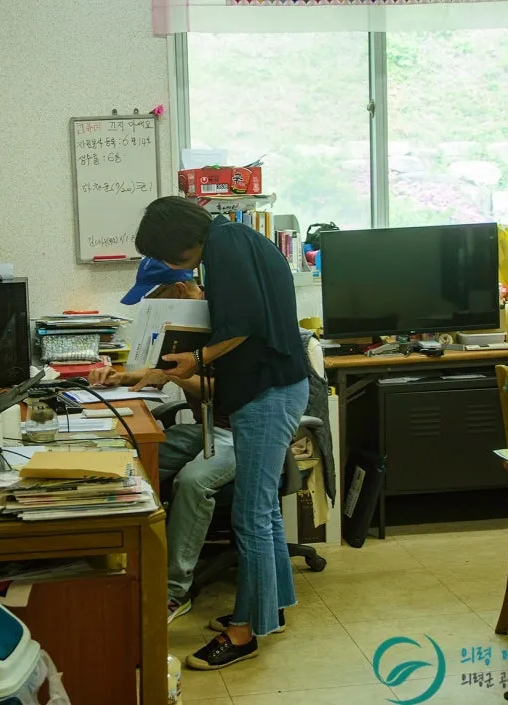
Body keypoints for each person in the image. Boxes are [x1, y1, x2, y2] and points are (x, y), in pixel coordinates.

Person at [134, 196, 309, 670]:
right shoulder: (234, 239)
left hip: (268, 393)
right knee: (263, 512)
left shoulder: (226, 243)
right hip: (271, 388)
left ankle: (244, 633)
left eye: (168, 256)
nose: (173, 265)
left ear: (180, 245)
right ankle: (270, 608)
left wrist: (196, 359)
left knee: (251, 515)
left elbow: (244, 323)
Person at [90, 257, 237, 624]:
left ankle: (173, 592)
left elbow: (225, 390)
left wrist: (172, 376)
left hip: (241, 432)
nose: (151, 306)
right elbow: (160, 372)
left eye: (155, 297)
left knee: (192, 482)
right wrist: (121, 378)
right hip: (204, 427)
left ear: (179, 289)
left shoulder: (225, 320)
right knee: (133, 458)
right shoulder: (181, 323)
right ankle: (125, 567)